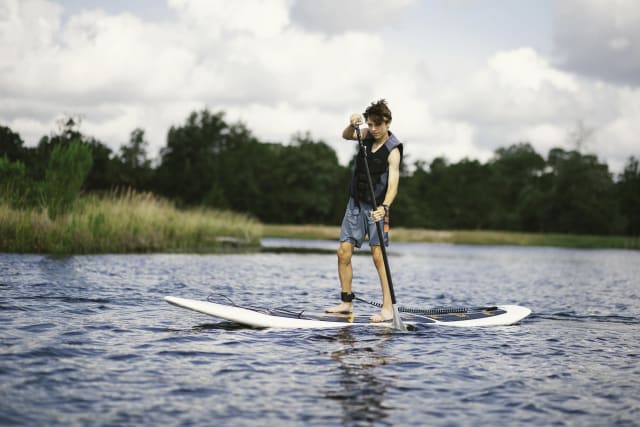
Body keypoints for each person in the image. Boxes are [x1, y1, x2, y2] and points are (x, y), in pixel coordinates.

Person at [325, 99, 403, 322]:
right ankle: (346, 303)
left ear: (387, 122)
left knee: (378, 257)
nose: (374, 129)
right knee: (343, 252)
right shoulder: (365, 134)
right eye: (370, 124)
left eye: (378, 125)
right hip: (355, 204)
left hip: (378, 208)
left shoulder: (393, 150)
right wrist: (352, 123)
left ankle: (387, 309)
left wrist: (385, 208)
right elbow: (346, 135)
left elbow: (394, 184)